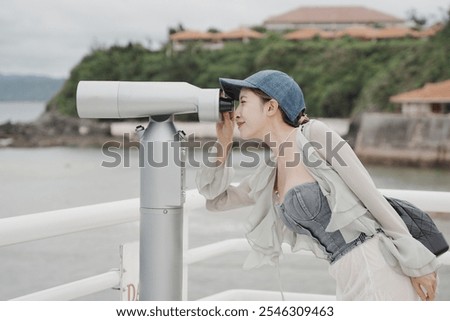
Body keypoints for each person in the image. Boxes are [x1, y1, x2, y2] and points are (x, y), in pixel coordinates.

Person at [195, 70, 438, 300]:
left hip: (377, 266)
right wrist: (223, 144)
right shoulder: (270, 171)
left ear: (271, 107)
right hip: (345, 276)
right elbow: (216, 200)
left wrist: (417, 262)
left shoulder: (314, 135)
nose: (236, 113)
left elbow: (371, 197)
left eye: (244, 102)